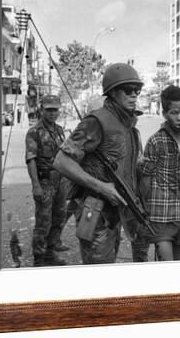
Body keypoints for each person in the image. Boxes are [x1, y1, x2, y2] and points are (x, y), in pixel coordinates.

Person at [53, 63, 147, 264]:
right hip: (95, 211)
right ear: (112, 92)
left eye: (137, 90)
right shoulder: (97, 121)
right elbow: (61, 161)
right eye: (128, 90)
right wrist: (102, 187)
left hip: (116, 212)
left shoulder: (127, 126)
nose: (134, 95)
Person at [139, 85, 180, 261]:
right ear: (164, 113)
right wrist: (145, 208)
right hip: (160, 211)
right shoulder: (156, 141)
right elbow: (146, 179)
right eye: (174, 112)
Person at [25, 94, 69, 266]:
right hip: (44, 182)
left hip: (60, 181)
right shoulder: (34, 132)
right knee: (44, 222)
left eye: (55, 110)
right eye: (49, 109)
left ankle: (51, 254)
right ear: (41, 109)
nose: (52, 113)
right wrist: (36, 185)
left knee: (59, 218)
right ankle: (39, 259)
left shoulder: (59, 130)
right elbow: (31, 159)